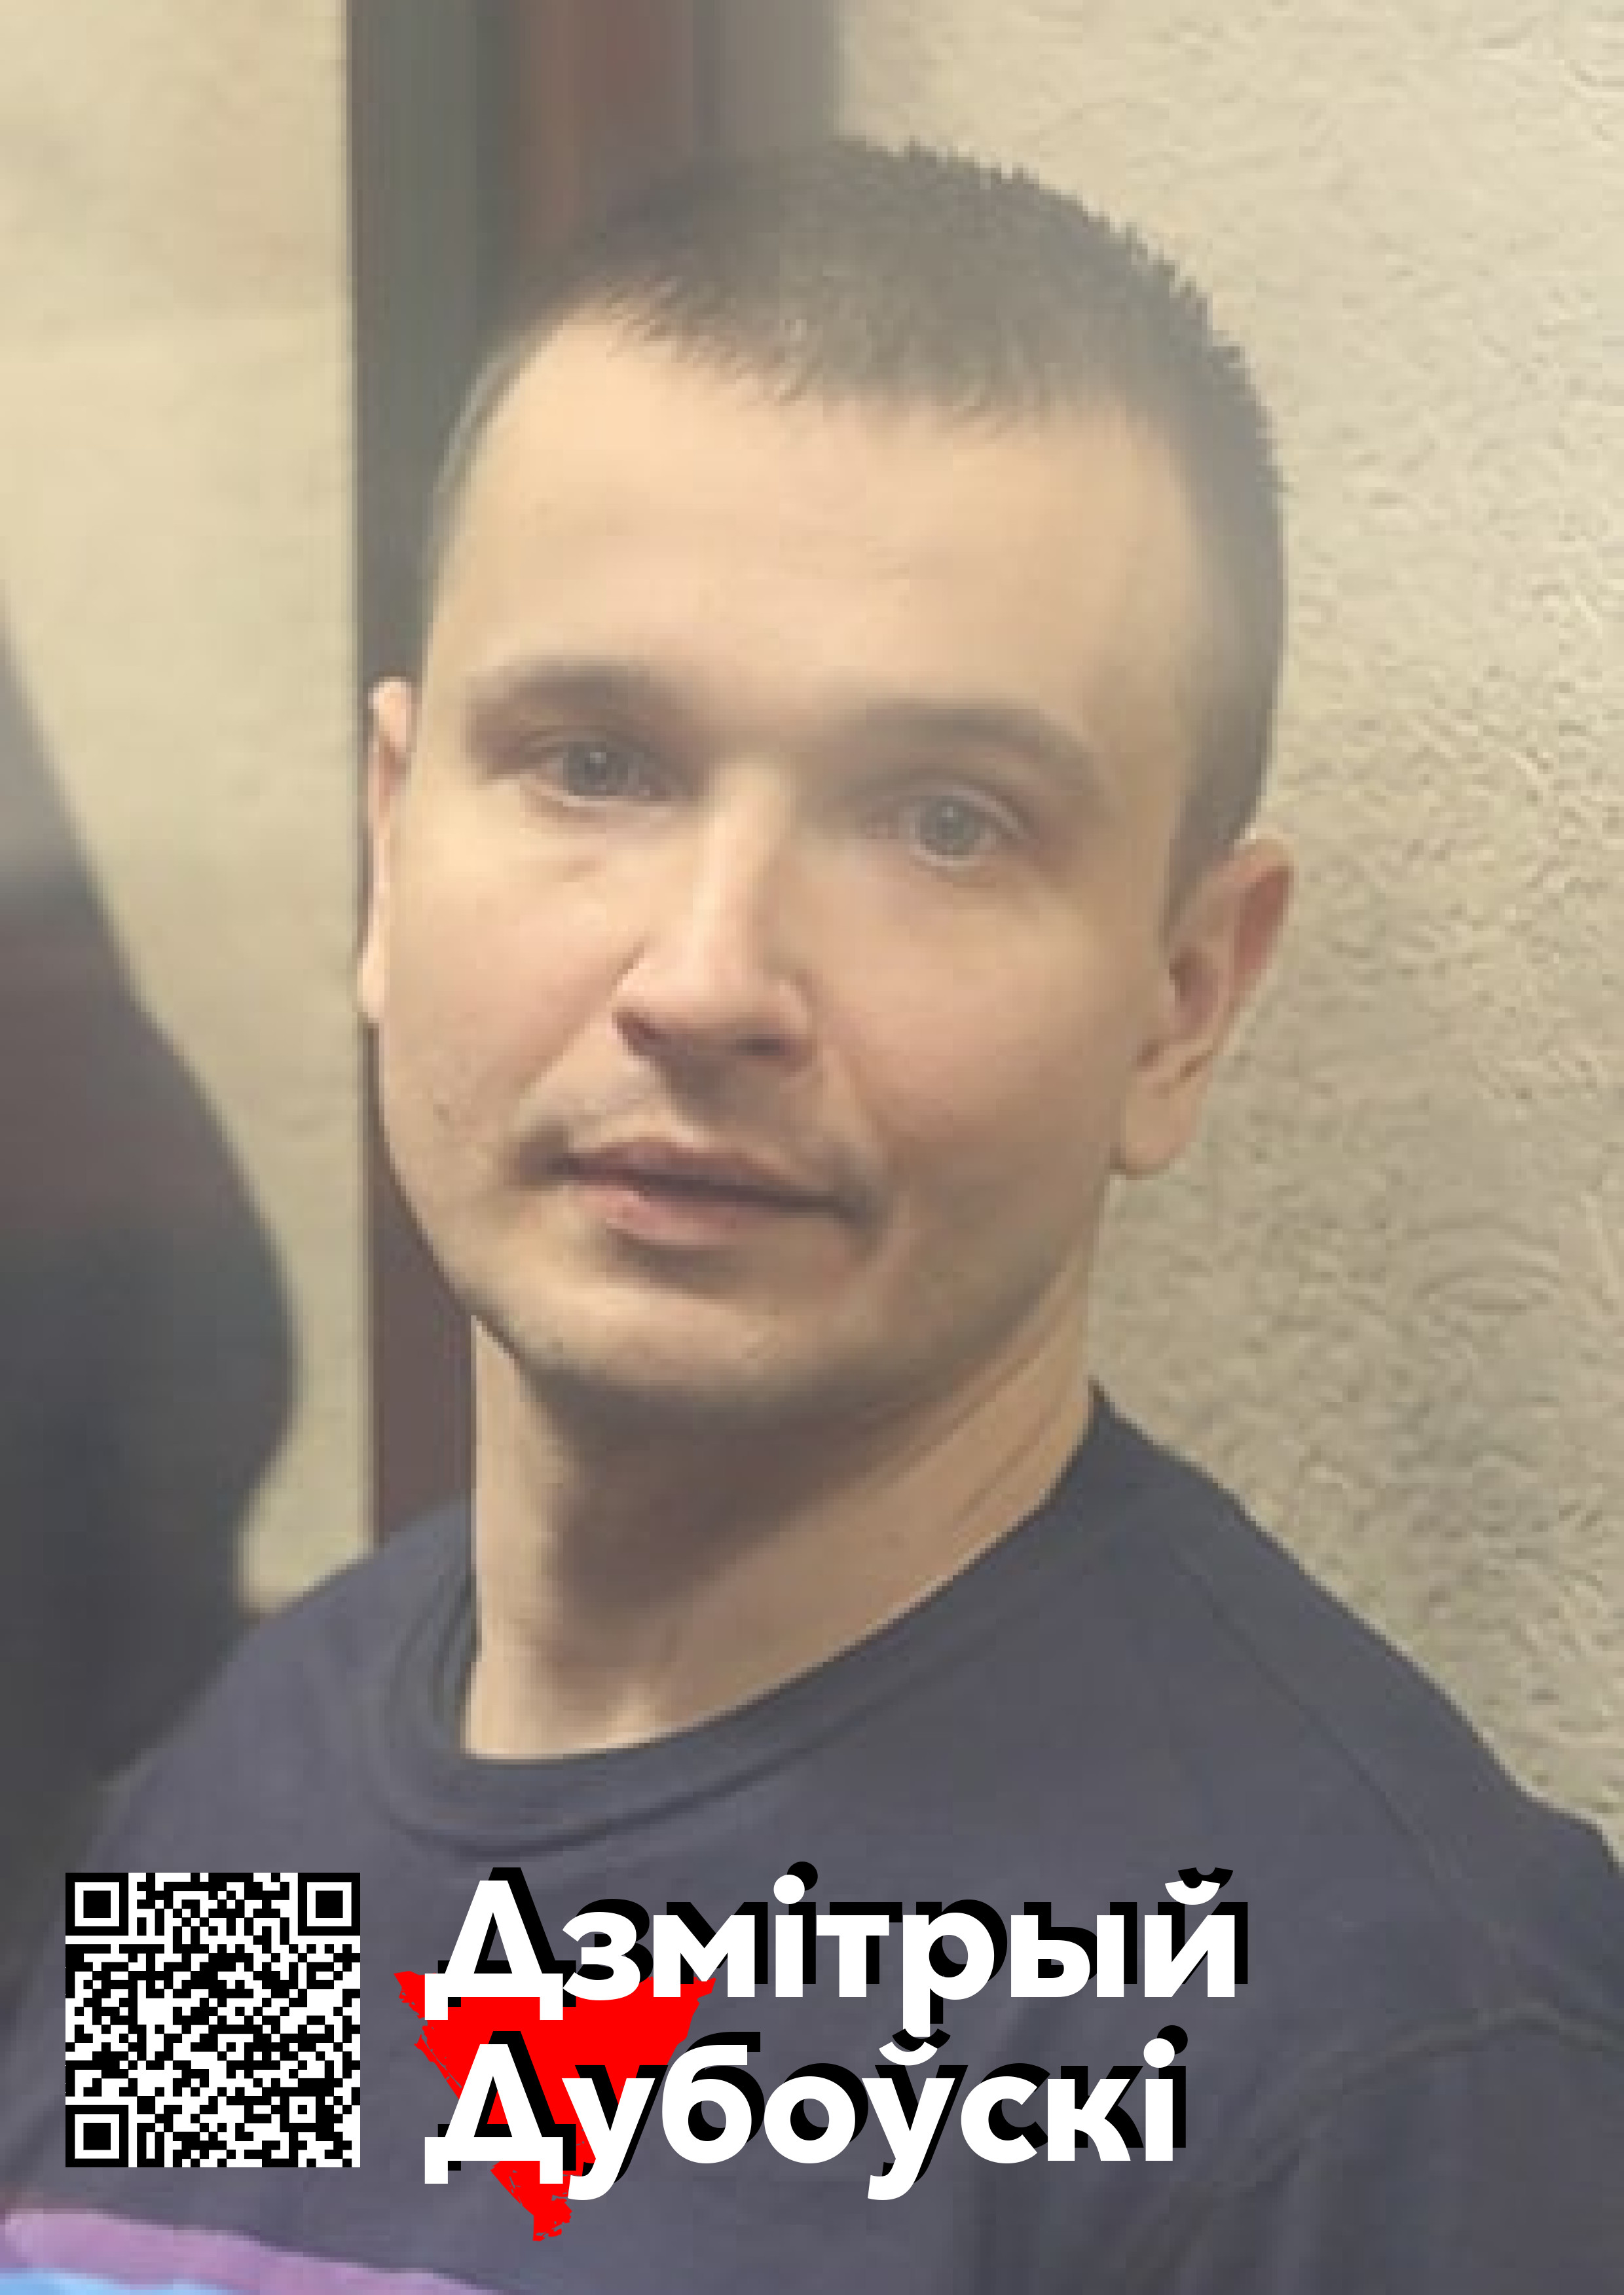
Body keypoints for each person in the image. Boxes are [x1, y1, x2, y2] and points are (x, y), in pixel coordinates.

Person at [2, 139, 1620, 2294]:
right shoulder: (259, 1788)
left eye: (943, 821)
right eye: (594, 761)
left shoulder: (1370, 2075)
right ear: (394, 843)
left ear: (1182, 998)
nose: (707, 978)